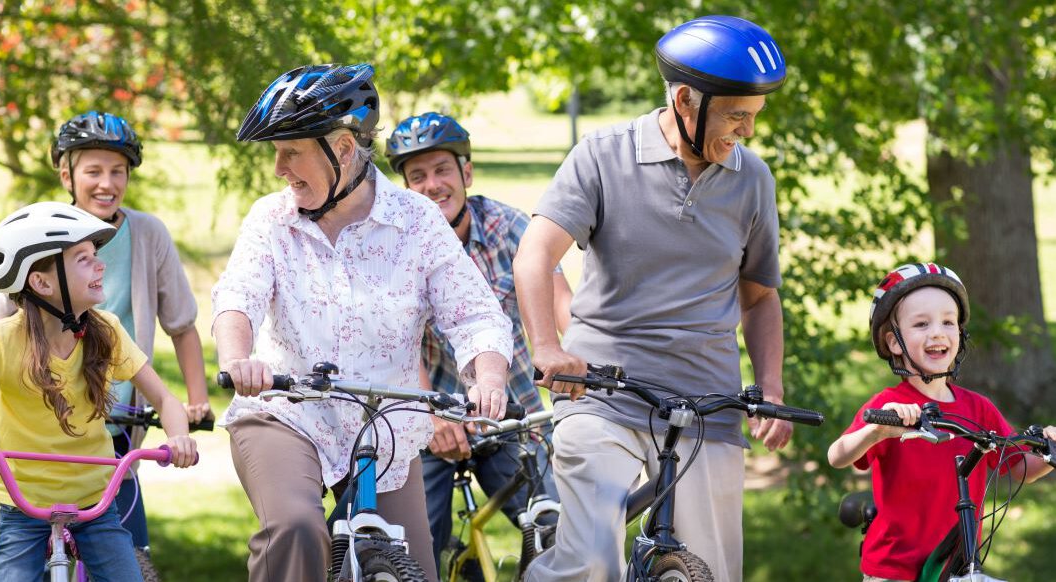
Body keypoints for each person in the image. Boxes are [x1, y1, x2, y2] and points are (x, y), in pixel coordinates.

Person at [513, 15, 796, 582]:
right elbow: (534, 256)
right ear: (686, 99)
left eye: (754, 116)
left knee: (709, 572)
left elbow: (760, 296)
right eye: (737, 115)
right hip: (602, 394)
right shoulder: (602, 156)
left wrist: (770, 384)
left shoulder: (752, 180)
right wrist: (547, 347)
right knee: (591, 559)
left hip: (704, 403)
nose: (748, 131)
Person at [213, 63, 513, 582]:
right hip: (285, 411)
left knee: (413, 569)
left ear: (345, 150)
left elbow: (475, 314)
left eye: (291, 152)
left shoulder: (417, 222)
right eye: (277, 153)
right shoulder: (271, 219)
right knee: (295, 528)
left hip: (385, 426)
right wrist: (237, 360)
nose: (279, 168)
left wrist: (487, 378)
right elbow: (238, 296)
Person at [0, 201, 198, 581]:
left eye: (96, 255)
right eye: (82, 258)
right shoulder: (1, 341)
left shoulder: (105, 331)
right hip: (23, 506)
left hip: (96, 501)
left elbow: (165, 399)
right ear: (41, 282)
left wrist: (179, 438)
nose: (100, 265)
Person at [0, 111, 213, 557]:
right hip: (42, 409)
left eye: (118, 171)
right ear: (67, 174)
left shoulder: (148, 234)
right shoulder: (37, 230)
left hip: (117, 408)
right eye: (93, 171)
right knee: (29, 540)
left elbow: (181, 323)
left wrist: (197, 401)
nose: (107, 183)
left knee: (124, 536)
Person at [383, 112, 570, 568]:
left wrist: (583, 356)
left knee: (562, 536)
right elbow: (394, 341)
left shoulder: (510, 229)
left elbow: (563, 302)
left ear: (466, 172)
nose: (432, 185)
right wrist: (430, 414)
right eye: (417, 176)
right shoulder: (390, 246)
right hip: (427, 422)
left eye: (442, 170)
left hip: (510, 414)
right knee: (409, 552)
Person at [827, 263, 1056, 582]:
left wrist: (1050, 453)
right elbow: (837, 456)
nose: (937, 332)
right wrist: (877, 431)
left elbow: (1019, 467)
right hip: (894, 569)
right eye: (921, 324)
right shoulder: (890, 406)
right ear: (895, 343)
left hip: (956, 564)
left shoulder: (978, 408)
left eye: (948, 322)